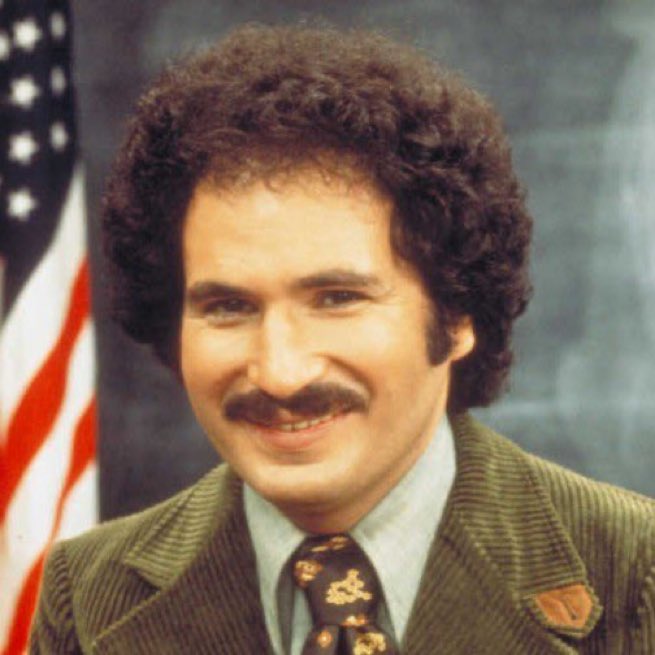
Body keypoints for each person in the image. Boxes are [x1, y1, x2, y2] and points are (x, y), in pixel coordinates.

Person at [31, 24, 654, 654]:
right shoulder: (87, 597)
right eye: (228, 308)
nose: (281, 372)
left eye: (337, 299)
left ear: (457, 313)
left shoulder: (635, 573)